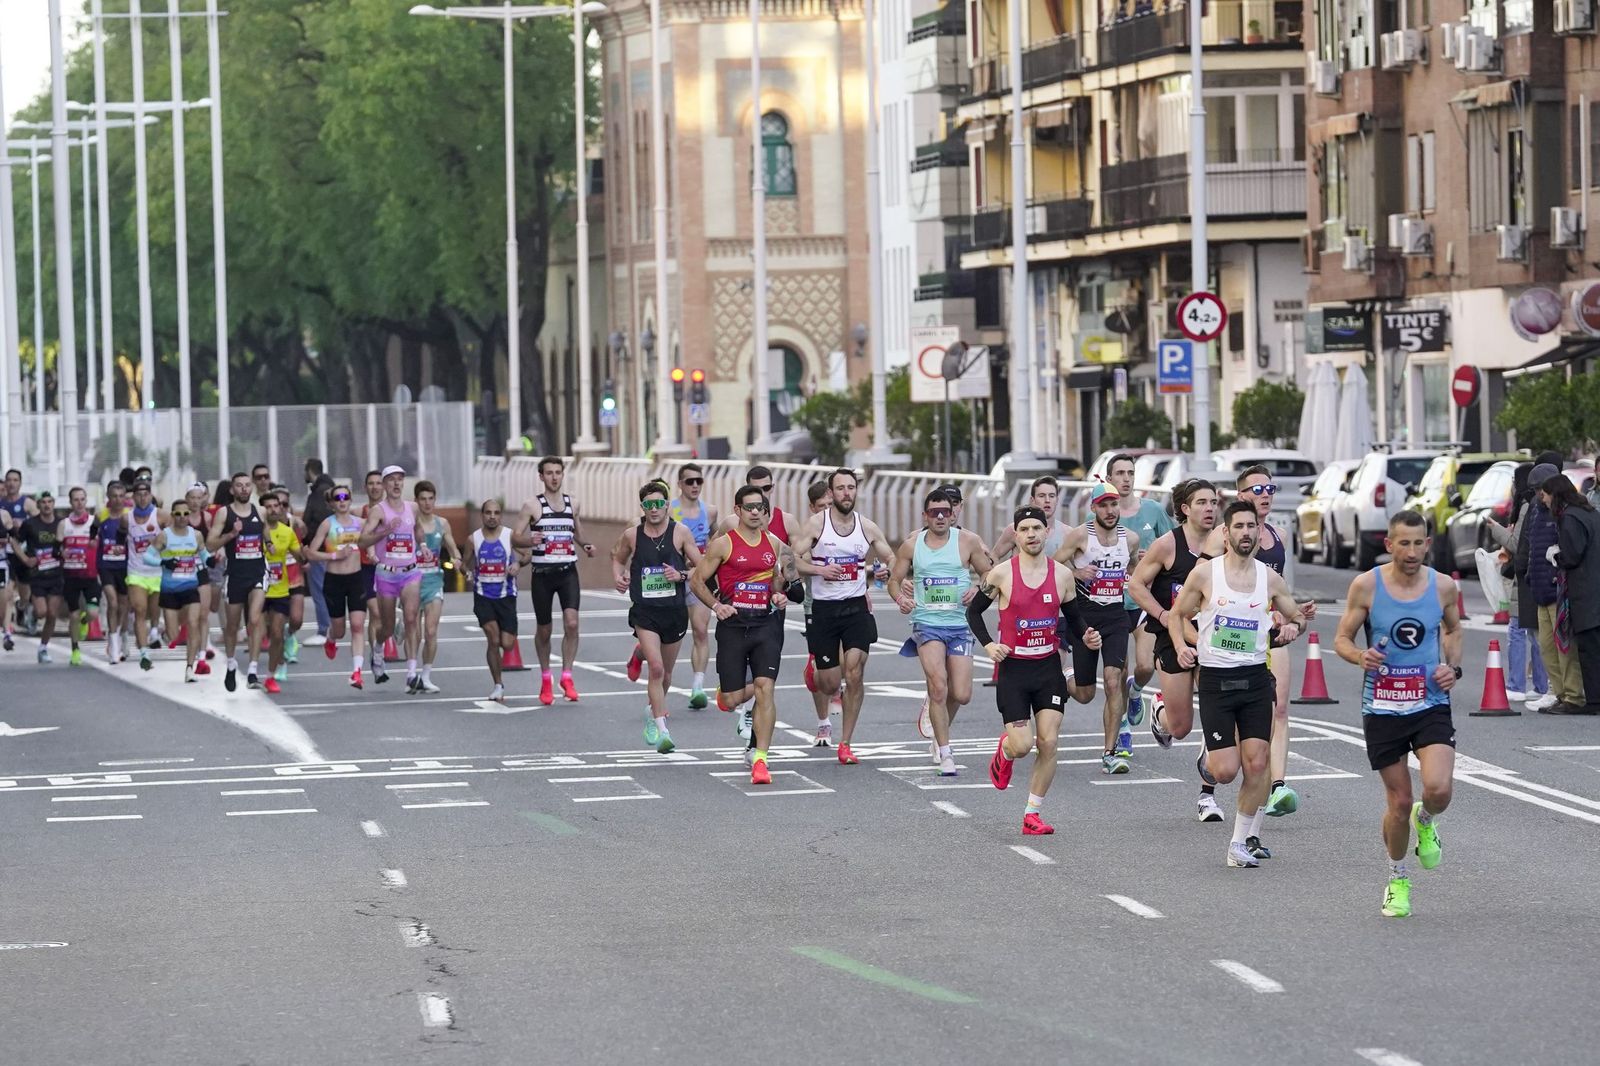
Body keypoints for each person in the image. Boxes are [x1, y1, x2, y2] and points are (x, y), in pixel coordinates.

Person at [1332, 510, 1462, 917]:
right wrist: (1359, 656)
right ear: (1389, 545)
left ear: (1428, 543)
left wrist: (1452, 668)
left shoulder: (1443, 587)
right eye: (1402, 543)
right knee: (1399, 801)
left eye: (1418, 542)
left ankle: (1428, 820)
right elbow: (1342, 638)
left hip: (1430, 702)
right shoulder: (1366, 585)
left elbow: (1454, 630)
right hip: (1383, 706)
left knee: (1438, 789)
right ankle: (1397, 879)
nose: (1411, 551)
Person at [1168, 500, 1308, 868]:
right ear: (1226, 533)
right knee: (1227, 770)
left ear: (1259, 535)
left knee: (1258, 763)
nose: (1247, 532)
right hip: (1216, 680)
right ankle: (1210, 757)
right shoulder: (1205, 575)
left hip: (1256, 679)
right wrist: (1183, 646)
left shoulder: (1270, 579)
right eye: (1239, 527)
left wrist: (1293, 626)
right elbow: (1177, 615)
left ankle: (1239, 843)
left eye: (1252, 527)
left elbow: (1295, 618)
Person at [963, 505, 1101, 835]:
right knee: (1023, 745)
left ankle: (1032, 814)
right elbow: (973, 613)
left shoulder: (1063, 575)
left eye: (1036, 528)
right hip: (1013, 670)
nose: (1031, 534)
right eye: (1024, 529)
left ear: (1047, 532)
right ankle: (1006, 750)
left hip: (1047, 668)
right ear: (1016, 535)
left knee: (1050, 742)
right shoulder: (1001, 575)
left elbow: (1074, 617)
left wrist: (1086, 635)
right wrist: (989, 646)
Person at [1202, 464, 1311, 823]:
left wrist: (1293, 613)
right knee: (1230, 741)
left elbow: (1279, 589)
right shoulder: (1222, 538)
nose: (1266, 495)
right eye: (1257, 490)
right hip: (1227, 641)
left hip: (1269, 635)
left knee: (1278, 708)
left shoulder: (1279, 535)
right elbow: (1200, 586)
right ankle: (1209, 779)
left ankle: (1278, 784)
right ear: (1242, 496)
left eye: (1270, 489)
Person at [689, 484, 801, 786]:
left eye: (760, 508)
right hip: (733, 626)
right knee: (731, 698)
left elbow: (793, 584)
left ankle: (761, 758)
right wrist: (715, 605)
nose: (755, 512)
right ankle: (726, 695)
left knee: (766, 687)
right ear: (737, 510)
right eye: (748, 507)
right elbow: (697, 580)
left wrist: (781, 594)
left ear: (766, 512)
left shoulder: (777, 544)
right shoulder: (723, 544)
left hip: (765, 625)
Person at [789, 468, 897, 765]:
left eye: (851, 487)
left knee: (855, 672)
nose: (846, 493)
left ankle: (846, 743)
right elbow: (790, 560)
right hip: (824, 610)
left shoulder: (867, 527)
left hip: (856, 608)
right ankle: (817, 673)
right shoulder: (816, 525)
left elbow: (891, 556)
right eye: (840, 488)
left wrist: (890, 569)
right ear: (832, 492)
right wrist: (819, 570)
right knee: (829, 683)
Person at [1132, 479, 1224, 820]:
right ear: (1184, 509)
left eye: (1213, 502)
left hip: (1212, 641)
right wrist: (1162, 614)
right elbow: (1136, 584)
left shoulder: (1225, 544)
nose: (1210, 508)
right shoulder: (1168, 545)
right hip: (1173, 638)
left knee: (1217, 708)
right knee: (1181, 726)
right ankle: (1160, 713)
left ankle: (1207, 794)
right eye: (1201, 502)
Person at [890, 488, 994, 776]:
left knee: (961, 694)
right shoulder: (912, 545)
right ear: (925, 515)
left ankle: (939, 726)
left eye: (944, 512)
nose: (939, 517)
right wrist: (902, 599)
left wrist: (978, 589)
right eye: (933, 512)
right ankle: (946, 753)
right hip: (927, 624)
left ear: (952, 514)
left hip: (960, 625)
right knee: (938, 686)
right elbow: (894, 580)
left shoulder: (968, 542)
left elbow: (990, 575)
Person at [1055, 482, 1140, 774]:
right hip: (1084, 616)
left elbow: (1135, 569)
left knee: (1114, 680)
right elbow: (1053, 564)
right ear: (1093, 508)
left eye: (1114, 504)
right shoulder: (1080, 535)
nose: (1109, 510)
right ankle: (1066, 676)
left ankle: (1109, 752)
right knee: (1085, 693)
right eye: (1103, 505)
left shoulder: (1130, 539)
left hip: (1116, 616)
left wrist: (1132, 580)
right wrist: (1076, 572)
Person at [615, 480, 704, 754]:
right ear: (642, 507)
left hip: (674, 611)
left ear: (667, 505)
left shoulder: (681, 533)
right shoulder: (633, 535)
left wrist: (681, 575)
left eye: (658, 504)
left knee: (665, 673)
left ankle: (652, 709)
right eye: (648, 504)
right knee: (655, 668)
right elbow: (618, 558)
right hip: (645, 610)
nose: (654, 509)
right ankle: (661, 728)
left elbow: (702, 568)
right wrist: (619, 576)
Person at [513, 456, 596, 705]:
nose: (554, 477)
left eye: (558, 472)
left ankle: (567, 676)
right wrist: (530, 541)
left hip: (567, 571)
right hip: (542, 574)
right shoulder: (532, 506)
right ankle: (546, 677)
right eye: (548, 473)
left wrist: (587, 545)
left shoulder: (573, 504)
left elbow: (577, 533)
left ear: (562, 474)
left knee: (572, 623)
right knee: (545, 630)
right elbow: (515, 537)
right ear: (541, 476)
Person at [1106, 453, 1174, 755]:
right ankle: (1121, 730)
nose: (1125, 478)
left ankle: (1136, 692)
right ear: (1109, 479)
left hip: (1145, 602)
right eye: (1119, 473)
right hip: (1112, 604)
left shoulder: (1154, 510)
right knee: (1116, 673)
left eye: (1130, 472)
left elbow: (1174, 547)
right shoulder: (1099, 515)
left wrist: (1155, 560)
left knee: (1146, 665)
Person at [1522, 462, 1584, 713]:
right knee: (1547, 648)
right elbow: (1531, 547)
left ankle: (1573, 696)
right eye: (1536, 489)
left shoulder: (1564, 513)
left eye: (1542, 489)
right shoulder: (1537, 510)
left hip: (1558, 589)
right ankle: (1560, 693)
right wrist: (1529, 575)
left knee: (1564, 647)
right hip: (1539, 589)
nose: (1539, 494)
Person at [359, 465, 427, 689]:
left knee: (410, 618)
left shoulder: (413, 507)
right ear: (385, 484)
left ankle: (411, 673)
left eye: (400, 479)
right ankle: (378, 650)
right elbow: (362, 541)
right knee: (387, 627)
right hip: (386, 574)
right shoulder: (378, 511)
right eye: (392, 480)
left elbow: (417, 529)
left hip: (410, 572)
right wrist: (386, 532)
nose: (397, 484)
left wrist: (423, 545)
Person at [1487, 462, 1549, 707]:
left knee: (1518, 630)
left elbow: (1517, 544)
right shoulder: (1534, 505)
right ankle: (1542, 685)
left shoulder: (1526, 507)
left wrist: (1496, 529)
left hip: (1524, 577)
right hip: (1532, 576)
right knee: (1535, 632)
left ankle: (1516, 685)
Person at [1544, 474, 1600, 714]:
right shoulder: (1590, 512)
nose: (1544, 500)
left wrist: (1556, 555)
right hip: (1595, 586)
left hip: (1585, 592)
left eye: (1545, 495)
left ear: (1555, 495)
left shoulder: (1569, 518)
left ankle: (1595, 701)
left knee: (1589, 650)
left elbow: (1572, 555)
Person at [304, 484, 369, 688]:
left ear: (350, 500)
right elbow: (311, 553)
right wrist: (334, 555)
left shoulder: (361, 523)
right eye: (338, 497)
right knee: (340, 630)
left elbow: (374, 541)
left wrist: (375, 554)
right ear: (332, 503)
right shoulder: (327, 524)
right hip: (334, 580)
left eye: (346, 497)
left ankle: (357, 673)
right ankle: (331, 638)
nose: (342, 501)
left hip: (356, 579)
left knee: (358, 625)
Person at [208, 472, 268, 691]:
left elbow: (266, 533)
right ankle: (231, 664)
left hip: (258, 572)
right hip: (234, 575)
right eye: (239, 486)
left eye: (247, 485)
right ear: (232, 490)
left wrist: (269, 544)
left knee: (254, 619)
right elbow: (210, 545)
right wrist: (231, 535)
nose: (244, 489)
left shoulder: (260, 511)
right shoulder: (224, 513)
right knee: (232, 626)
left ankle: (252, 671)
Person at [668, 463, 719, 709]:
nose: (695, 485)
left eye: (699, 480)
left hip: (698, 577)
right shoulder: (669, 510)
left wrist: (708, 557)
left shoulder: (709, 511)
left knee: (700, 630)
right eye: (690, 481)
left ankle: (698, 687)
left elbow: (718, 537)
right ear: (680, 484)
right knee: (666, 634)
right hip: (671, 578)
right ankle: (639, 652)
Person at [465, 500, 522, 702]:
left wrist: (517, 563)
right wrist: (465, 572)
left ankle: (499, 682)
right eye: (488, 512)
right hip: (483, 595)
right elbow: (465, 564)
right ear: (482, 515)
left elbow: (527, 554)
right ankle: (498, 685)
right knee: (493, 638)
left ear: (501, 515)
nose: (492, 516)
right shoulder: (473, 539)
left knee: (507, 644)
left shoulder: (510, 535)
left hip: (506, 595)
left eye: (496, 513)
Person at [146, 500, 210, 682]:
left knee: (193, 622)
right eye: (178, 514)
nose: (182, 518)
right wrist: (163, 562)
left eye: (185, 514)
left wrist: (211, 560)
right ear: (172, 516)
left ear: (189, 515)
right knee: (174, 636)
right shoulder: (164, 536)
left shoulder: (196, 535)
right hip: (169, 590)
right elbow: (147, 557)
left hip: (190, 586)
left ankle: (190, 667)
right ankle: (166, 633)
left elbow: (203, 554)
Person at [799, 479, 837, 744]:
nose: (827, 510)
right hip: (816, 603)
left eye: (830, 505)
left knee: (849, 660)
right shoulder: (809, 532)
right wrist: (818, 569)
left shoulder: (849, 526)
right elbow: (792, 562)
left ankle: (837, 686)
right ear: (812, 507)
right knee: (819, 671)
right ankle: (824, 723)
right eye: (821, 506)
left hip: (850, 602)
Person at [414, 480, 461, 694]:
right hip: (412, 582)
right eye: (422, 499)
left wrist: (457, 558)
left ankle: (426, 675)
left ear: (435, 500)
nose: (427, 503)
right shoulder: (411, 523)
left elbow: (452, 546)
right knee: (412, 632)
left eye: (430, 499)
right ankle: (411, 673)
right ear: (417, 501)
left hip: (434, 581)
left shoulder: (442, 523)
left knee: (431, 631)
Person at [9, 491, 65, 663]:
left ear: (54, 504)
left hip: (56, 574)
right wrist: (25, 559)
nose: (47, 505)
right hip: (37, 575)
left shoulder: (60, 523)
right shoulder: (30, 524)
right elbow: (14, 541)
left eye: (50, 501)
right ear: (38, 505)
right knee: (42, 612)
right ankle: (32, 612)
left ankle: (43, 648)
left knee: (52, 614)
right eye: (43, 502)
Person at [260, 493, 305, 694]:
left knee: (282, 629)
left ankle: (276, 669)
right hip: (259, 588)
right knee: (267, 632)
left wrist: (306, 556)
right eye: (268, 506)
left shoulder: (288, 530)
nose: (274, 510)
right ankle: (273, 663)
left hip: (284, 585)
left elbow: (300, 553)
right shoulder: (255, 531)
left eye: (277, 506)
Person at [124, 480, 166, 671]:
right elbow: (118, 538)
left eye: (145, 494)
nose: (142, 498)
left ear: (150, 495)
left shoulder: (161, 516)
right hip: (136, 572)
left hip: (157, 571)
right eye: (138, 494)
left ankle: (155, 630)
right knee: (140, 610)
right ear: (133, 497)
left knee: (152, 611)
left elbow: (176, 536)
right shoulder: (127, 519)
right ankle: (144, 653)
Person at [60, 487, 102, 668]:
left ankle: (86, 622)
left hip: (91, 574)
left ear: (87, 501)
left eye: (82, 499)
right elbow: (58, 546)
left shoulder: (94, 522)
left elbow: (102, 543)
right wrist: (64, 552)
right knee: (73, 615)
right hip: (71, 574)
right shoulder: (65, 524)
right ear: (71, 502)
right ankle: (75, 649)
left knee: (92, 613)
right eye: (76, 500)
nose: (79, 503)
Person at [991, 476, 1073, 560]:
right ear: (1032, 500)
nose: (1047, 500)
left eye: (1052, 496)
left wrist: (1077, 572)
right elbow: (994, 556)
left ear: (1057, 500)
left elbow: (1079, 566)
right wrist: (999, 573)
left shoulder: (1068, 533)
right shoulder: (1015, 529)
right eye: (1041, 496)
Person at [1, 468, 37, 643]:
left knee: (24, 593)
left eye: (15, 480)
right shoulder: (1, 504)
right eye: (9, 480)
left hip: (23, 553)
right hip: (6, 554)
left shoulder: (27, 503)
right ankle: (7, 631)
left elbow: (40, 524)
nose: (11, 483)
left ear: (20, 483)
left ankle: (22, 607)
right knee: (7, 592)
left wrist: (24, 524)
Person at [302, 463, 336, 643]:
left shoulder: (318, 493)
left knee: (320, 590)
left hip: (320, 550)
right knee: (327, 590)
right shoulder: (329, 489)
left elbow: (314, 519)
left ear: (309, 471)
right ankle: (329, 626)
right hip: (331, 549)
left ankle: (325, 628)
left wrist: (308, 543)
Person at [97, 481, 130, 664]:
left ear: (125, 498)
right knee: (113, 602)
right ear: (108, 498)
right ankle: (113, 642)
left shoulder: (129, 517)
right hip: (106, 565)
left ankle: (122, 635)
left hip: (125, 566)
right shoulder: (101, 516)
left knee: (124, 604)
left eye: (121, 496)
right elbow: (93, 532)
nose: (117, 500)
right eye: (114, 496)